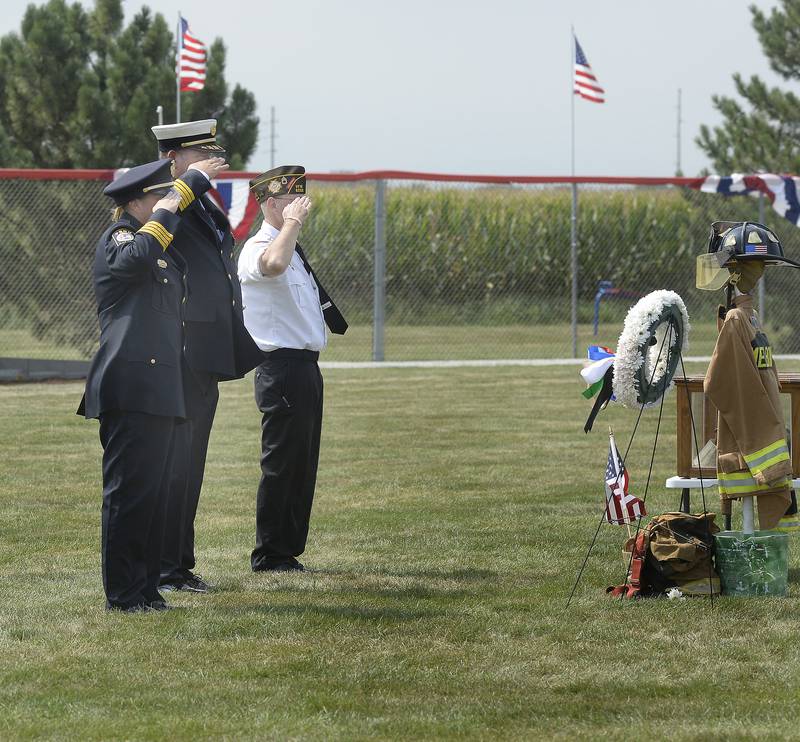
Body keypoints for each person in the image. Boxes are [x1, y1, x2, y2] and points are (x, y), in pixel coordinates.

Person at [77, 158, 221, 611]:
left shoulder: (158, 247)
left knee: (156, 494)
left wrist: (188, 194)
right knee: (129, 493)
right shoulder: (119, 239)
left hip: (162, 387)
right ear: (136, 201)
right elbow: (134, 258)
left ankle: (145, 587)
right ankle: (122, 593)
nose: (166, 204)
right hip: (131, 385)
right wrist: (182, 191)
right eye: (159, 196)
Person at [151, 119, 264, 593]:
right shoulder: (166, 202)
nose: (212, 160)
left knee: (191, 462)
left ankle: (179, 563)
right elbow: (157, 232)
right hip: (182, 349)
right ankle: (165, 567)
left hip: (207, 350)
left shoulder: (203, 206)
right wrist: (187, 185)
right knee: (175, 462)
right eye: (200, 154)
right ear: (174, 158)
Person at [238, 165, 347, 572]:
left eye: (301, 200)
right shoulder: (260, 246)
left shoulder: (292, 248)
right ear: (270, 203)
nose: (300, 206)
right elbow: (273, 265)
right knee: (282, 463)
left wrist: (292, 227)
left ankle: (287, 550)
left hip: (304, 369)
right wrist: (292, 225)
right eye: (290, 200)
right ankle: (270, 554)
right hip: (280, 368)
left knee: (302, 463)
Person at [697, 220, 800, 530]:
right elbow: (726, 379)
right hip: (752, 437)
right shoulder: (742, 319)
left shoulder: (744, 317)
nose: (761, 270)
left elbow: (732, 378)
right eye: (756, 265)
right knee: (747, 527)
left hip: (756, 433)